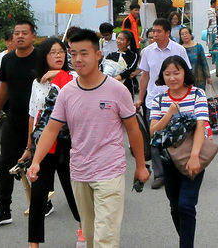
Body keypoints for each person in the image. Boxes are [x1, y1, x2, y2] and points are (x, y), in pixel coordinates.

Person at [27, 29, 150, 248]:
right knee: (91, 235)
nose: (77, 59)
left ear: (98, 55)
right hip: (80, 172)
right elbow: (51, 129)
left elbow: (133, 129)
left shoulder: (117, 90)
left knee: (105, 239)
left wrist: (141, 166)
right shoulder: (66, 92)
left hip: (110, 171)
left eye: (84, 53)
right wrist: (36, 161)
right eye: (73, 54)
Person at [20, 37, 81, 248]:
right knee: (38, 197)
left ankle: (84, 231)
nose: (58, 56)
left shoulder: (74, 77)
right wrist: (29, 147)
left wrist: (59, 75)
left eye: (61, 51)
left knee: (74, 193)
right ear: (44, 56)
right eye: (53, 52)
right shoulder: (37, 83)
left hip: (67, 144)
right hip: (43, 146)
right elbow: (33, 115)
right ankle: (33, 244)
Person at [150, 56, 210, 248]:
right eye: (167, 74)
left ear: (185, 73)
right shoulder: (159, 100)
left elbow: (201, 126)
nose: (172, 78)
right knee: (175, 206)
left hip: (194, 155)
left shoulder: (197, 94)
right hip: (169, 159)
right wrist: (169, 113)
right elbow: (153, 130)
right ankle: (186, 241)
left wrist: (194, 157)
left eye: (176, 73)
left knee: (186, 205)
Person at [0, 20, 39, 226]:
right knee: (6, 163)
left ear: (33, 36)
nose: (20, 36)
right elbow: (4, 86)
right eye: (17, 33)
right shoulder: (7, 59)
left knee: (39, 163)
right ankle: (4, 209)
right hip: (14, 118)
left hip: (38, 121)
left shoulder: (41, 58)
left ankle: (43, 201)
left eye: (24, 33)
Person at [136, 18, 191, 189]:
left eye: (159, 31)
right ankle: (159, 174)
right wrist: (140, 98)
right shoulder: (147, 52)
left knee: (176, 135)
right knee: (155, 137)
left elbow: (186, 74)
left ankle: (179, 168)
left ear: (168, 33)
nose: (155, 34)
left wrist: (188, 96)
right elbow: (145, 76)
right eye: (154, 31)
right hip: (153, 101)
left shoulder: (179, 50)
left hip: (175, 100)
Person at [104, 30, 140, 94]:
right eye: (118, 38)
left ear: (128, 42)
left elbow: (130, 69)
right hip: (110, 87)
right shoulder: (111, 55)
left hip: (126, 85)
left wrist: (117, 78)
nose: (119, 41)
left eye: (122, 39)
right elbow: (103, 67)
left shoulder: (133, 55)